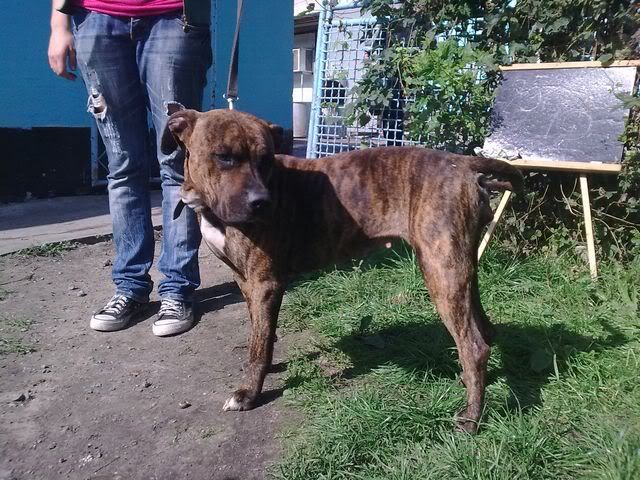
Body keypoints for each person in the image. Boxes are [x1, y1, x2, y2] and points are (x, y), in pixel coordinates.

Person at [48, 0, 212, 336]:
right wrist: (59, 25)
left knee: (178, 165)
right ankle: (130, 287)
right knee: (123, 166)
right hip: (96, 17)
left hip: (174, 16)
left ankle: (177, 289)